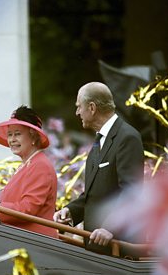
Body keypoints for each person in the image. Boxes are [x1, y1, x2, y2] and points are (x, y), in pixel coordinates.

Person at [54, 82, 144, 250]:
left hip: (118, 248)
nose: (77, 112)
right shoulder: (100, 140)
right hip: (97, 247)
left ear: (92, 107)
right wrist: (71, 211)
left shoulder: (127, 137)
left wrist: (110, 228)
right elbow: (94, 192)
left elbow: (132, 191)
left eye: (79, 107)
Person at [0, 106, 58, 238]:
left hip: (34, 243)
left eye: (18, 134)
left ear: (33, 136)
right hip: (20, 239)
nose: (12, 139)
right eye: (10, 134)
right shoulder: (28, 164)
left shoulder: (40, 165)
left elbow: (28, 209)